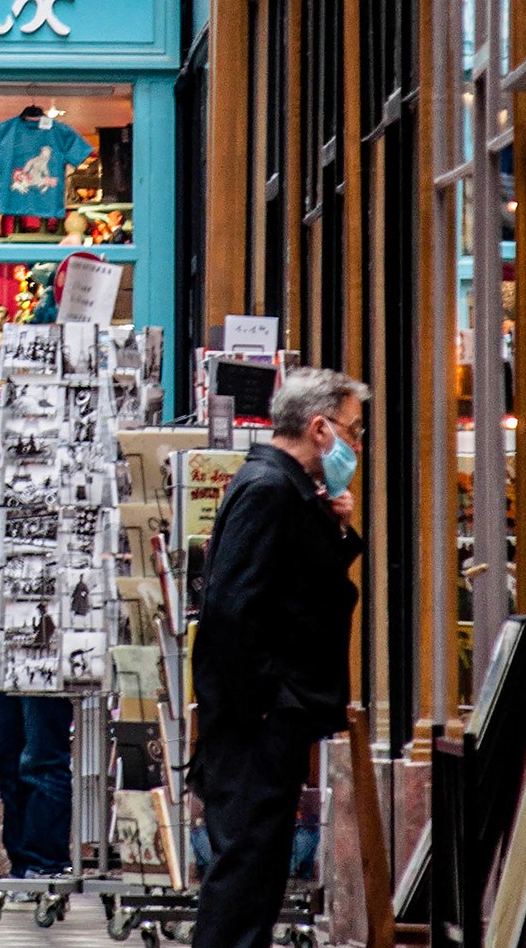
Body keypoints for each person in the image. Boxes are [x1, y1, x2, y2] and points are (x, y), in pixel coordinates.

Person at [188, 368, 366, 948]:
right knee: (244, 875)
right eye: (353, 431)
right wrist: (266, 703)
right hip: (256, 724)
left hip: (267, 719)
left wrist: (335, 529)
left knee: (258, 872)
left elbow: (297, 589)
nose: (356, 446)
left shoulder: (287, 489)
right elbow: (232, 610)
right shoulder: (269, 488)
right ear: (319, 428)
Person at [0, 571, 72, 907]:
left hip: (50, 645)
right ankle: (22, 866)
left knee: (42, 757)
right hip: (8, 644)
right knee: (4, 757)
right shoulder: (2, 515)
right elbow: (2, 572)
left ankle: (45, 866)